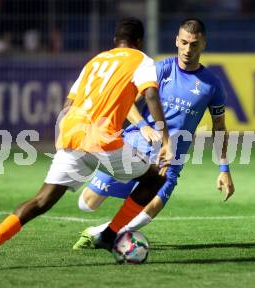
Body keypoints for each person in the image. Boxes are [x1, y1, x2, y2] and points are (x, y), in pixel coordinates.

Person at [0, 17, 171, 270]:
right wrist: (165, 139)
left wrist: (63, 135)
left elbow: (68, 105)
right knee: (155, 179)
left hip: (72, 134)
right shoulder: (141, 60)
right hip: (102, 139)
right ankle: (109, 236)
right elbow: (151, 93)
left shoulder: (94, 62)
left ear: (114, 41)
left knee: (41, 201)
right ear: (140, 41)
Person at [73, 18, 235, 250]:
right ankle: (107, 229)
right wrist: (142, 126)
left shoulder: (212, 85)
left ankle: (101, 234)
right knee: (86, 204)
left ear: (204, 44)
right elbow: (126, 104)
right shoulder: (160, 69)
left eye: (194, 44)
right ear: (176, 41)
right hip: (133, 147)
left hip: (169, 158)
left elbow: (219, 128)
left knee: (149, 210)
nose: (188, 49)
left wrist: (224, 168)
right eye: (184, 42)